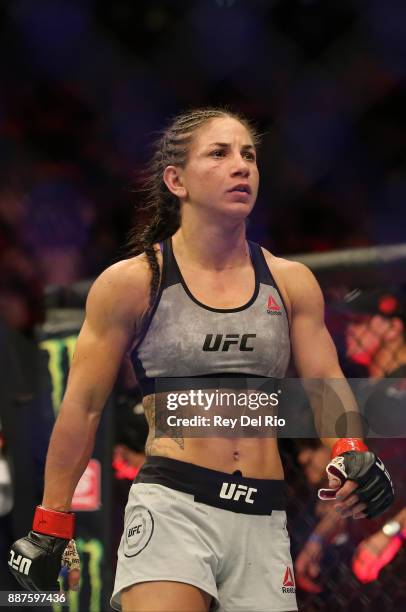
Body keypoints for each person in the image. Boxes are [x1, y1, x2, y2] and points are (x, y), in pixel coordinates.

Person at [9, 108, 394, 612]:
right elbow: (82, 408)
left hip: (263, 516)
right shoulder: (133, 282)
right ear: (176, 180)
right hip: (172, 507)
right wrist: (51, 521)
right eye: (219, 153)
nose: (242, 167)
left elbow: (324, 379)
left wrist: (349, 446)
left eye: (249, 155)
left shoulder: (290, 281)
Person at [295, 287, 406, 593]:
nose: (350, 330)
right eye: (348, 322)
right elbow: (362, 477)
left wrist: (392, 534)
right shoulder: (367, 393)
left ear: (394, 328)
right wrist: (320, 538)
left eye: (361, 322)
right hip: (367, 545)